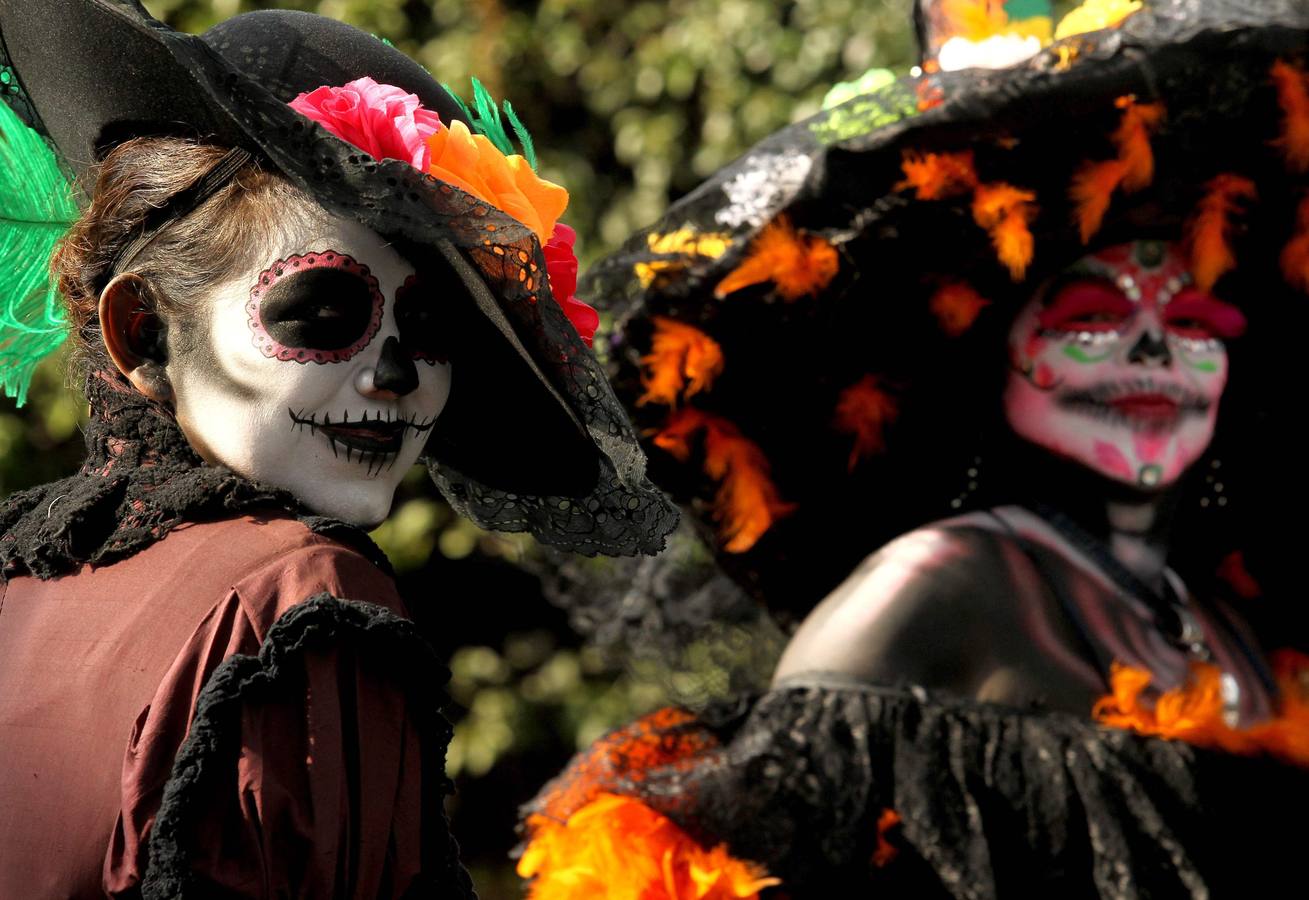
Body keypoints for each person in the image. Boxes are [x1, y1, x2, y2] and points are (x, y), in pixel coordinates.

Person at [518, 1, 1309, 896]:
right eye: (1093, 318)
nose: (1156, 350)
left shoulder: (1236, 623)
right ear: (995, 359)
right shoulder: (935, 584)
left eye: (1193, 320)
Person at [0, 3, 675, 897]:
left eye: (431, 325)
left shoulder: (22, 585)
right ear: (145, 331)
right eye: (324, 310)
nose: (396, 374)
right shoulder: (302, 600)